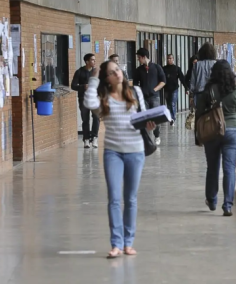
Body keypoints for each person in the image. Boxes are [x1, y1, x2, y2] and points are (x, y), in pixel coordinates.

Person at [84, 60, 156, 258]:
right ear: (106, 79)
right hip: (113, 152)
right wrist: (93, 77)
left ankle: (128, 243)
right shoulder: (103, 98)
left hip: (135, 151)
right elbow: (88, 103)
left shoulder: (136, 93)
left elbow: (144, 118)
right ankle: (116, 243)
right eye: (112, 72)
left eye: (118, 69)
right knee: (114, 198)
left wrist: (150, 126)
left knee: (130, 198)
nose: (118, 73)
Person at [195, 60, 236, 217]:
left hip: (212, 133)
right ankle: (228, 205)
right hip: (231, 132)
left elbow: (199, 113)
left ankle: (211, 200)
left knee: (212, 167)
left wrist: (198, 134)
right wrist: (234, 120)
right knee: (229, 168)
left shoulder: (208, 90)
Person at [133, 48, 166, 146]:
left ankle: (157, 136)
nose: (138, 59)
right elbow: (135, 83)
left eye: (139, 57)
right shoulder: (138, 70)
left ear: (144, 57)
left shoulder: (156, 67)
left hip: (155, 97)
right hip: (143, 98)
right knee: (145, 118)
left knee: (155, 117)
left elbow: (163, 81)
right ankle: (146, 139)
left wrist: (154, 89)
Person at [71, 53, 100, 148]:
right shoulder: (79, 72)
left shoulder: (96, 72)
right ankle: (86, 139)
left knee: (96, 118)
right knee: (85, 119)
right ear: (87, 61)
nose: (94, 61)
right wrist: (83, 86)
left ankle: (95, 137)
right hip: (83, 99)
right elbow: (73, 86)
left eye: (94, 60)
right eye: (92, 60)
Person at [162, 54, 187, 126]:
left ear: (173, 59)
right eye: (168, 58)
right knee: (169, 104)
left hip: (174, 89)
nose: (169, 60)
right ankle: (170, 117)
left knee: (173, 103)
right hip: (166, 89)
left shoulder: (177, 69)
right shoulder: (164, 69)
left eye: (170, 58)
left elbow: (182, 79)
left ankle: (173, 118)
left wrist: (186, 88)